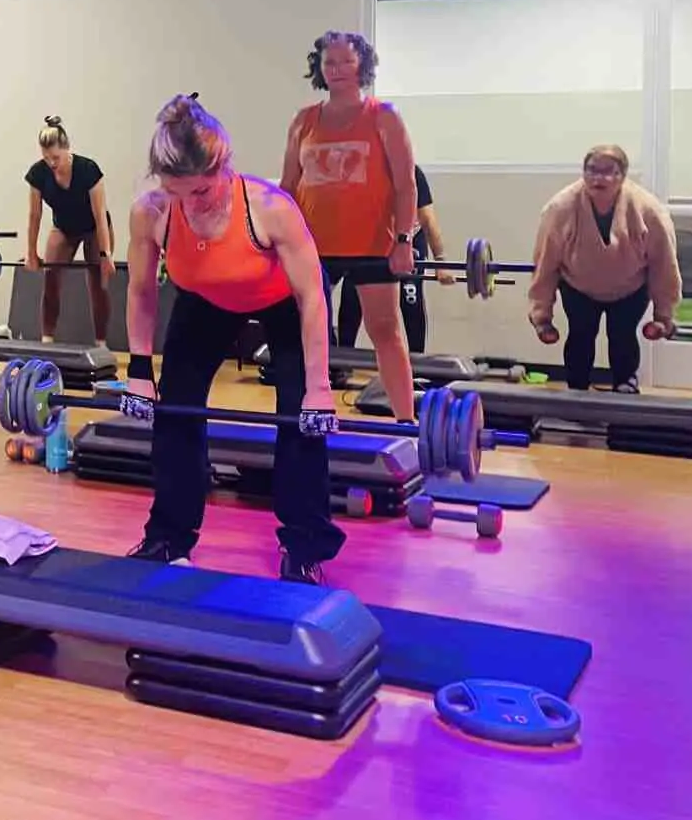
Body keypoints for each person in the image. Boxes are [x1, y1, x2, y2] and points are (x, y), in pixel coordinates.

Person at [123, 94, 341, 584]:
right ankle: (168, 538)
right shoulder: (153, 212)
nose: (188, 205)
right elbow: (140, 291)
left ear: (224, 167)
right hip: (205, 299)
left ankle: (304, 548)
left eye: (200, 192)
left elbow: (311, 297)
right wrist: (139, 372)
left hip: (284, 300)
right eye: (175, 192)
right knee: (175, 409)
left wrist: (319, 387)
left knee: (301, 419)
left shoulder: (269, 208)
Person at [282, 31, 420, 434]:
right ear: (319, 69)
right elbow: (288, 186)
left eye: (346, 61)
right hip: (312, 246)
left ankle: (405, 422)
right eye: (330, 63)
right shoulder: (304, 120)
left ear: (362, 65)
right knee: (309, 333)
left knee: (384, 331)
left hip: (372, 245)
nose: (338, 69)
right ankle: (310, 414)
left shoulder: (383, 116)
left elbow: (405, 185)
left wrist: (403, 241)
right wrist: (274, 240)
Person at [528, 145, 682, 393]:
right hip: (578, 287)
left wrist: (663, 316)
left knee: (622, 337)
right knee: (580, 337)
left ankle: (625, 385)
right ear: (583, 172)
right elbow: (545, 263)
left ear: (623, 175)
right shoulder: (560, 208)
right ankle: (577, 390)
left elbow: (664, 264)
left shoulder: (649, 211)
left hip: (630, 289)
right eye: (592, 170)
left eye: (608, 171)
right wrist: (541, 317)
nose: (599, 178)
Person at [338, 165, 451, 354]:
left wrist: (441, 262)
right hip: (371, 241)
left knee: (410, 299)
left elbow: (428, 220)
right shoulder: (359, 171)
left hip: (408, 239)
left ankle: (417, 365)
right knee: (352, 296)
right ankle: (340, 363)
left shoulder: (411, 172)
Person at [23, 116, 116, 346]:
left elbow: (100, 216)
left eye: (56, 157)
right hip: (64, 227)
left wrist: (105, 255)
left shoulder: (88, 170)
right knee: (51, 276)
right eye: (46, 158)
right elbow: (34, 216)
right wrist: (31, 253)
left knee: (98, 282)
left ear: (67, 149)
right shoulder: (38, 174)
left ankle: (101, 343)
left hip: (94, 227)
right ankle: (47, 340)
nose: (51, 163)